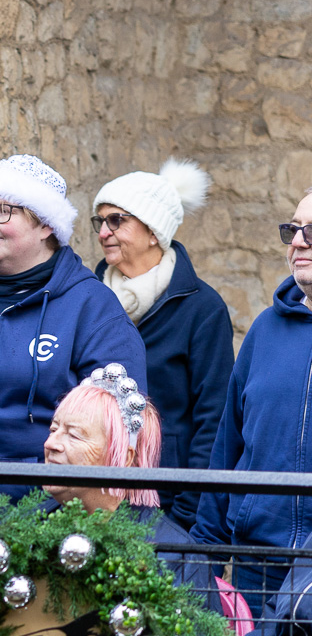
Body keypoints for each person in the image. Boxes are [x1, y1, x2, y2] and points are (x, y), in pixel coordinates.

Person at [0, 154, 147, 525]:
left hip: (45, 532)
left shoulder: (92, 310)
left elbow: (118, 434)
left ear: (45, 225)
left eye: (4, 211)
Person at [92, 159, 233, 530]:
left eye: (116, 220)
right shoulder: (88, 301)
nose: (104, 232)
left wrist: (187, 512)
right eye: (100, 221)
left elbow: (213, 419)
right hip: (91, 497)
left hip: (167, 504)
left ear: (153, 232)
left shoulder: (202, 308)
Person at [192, 188, 312, 618]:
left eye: (311, 232)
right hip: (255, 569)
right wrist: (203, 555)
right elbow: (228, 448)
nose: (297, 242)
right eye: (293, 230)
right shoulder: (264, 330)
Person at [43, 371, 225, 613]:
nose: (51, 444)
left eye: (74, 435)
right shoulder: (29, 528)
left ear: (124, 459)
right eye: (53, 429)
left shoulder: (175, 556)